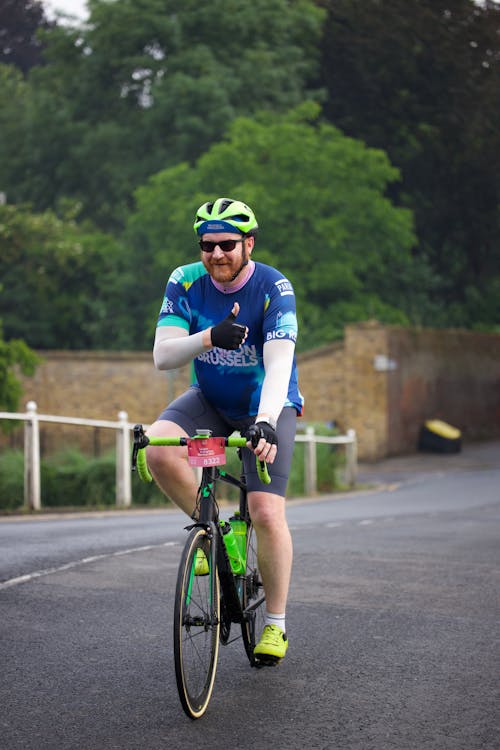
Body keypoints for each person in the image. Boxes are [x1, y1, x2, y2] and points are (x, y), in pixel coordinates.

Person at [146, 197, 303, 664]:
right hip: (210, 402)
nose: (217, 254)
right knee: (157, 448)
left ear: (248, 244)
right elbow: (163, 356)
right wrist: (211, 336)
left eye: (228, 245)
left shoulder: (275, 288)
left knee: (266, 511)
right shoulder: (185, 280)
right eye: (207, 245)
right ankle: (210, 530)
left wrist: (266, 422)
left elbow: (279, 364)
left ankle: (275, 624)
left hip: (266, 406)